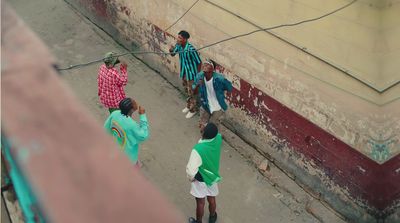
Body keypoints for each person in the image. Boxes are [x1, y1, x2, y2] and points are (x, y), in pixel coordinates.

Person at [186, 123, 222, 223]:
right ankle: (212, 217)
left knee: (200, 202)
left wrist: (191, 178)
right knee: (211, 198)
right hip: (212, 176)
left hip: (201, 179)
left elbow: (191, 170)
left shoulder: (198, 150)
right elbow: (216, 133)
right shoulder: (218, 138)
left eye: (204, 127)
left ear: (203, 133)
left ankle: (199, 221)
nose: (203, 125)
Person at [104, 97, 149, 167]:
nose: (136, 102)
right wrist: (143, 116)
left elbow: (106, 128)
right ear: (131, 110)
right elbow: (143, 135)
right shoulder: (132, 125)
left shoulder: (115, 113)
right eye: (134, 102)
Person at [192, 60, 233, 133]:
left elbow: (229, 88)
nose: (205, 66)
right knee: (203, 126)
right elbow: (194, 92)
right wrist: (198, 85)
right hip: (205, 105)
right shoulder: (199, 76)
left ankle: (213, 140)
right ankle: (204, 139)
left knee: (213, 127)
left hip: (217, 107)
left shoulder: (219, 79)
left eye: (208, 65)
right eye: (204, 64)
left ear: (212, 69)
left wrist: (221, 90)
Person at [169, 30, 202, 119]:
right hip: (184, 73)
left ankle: (193, 110)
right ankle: (188, 106)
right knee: (187, 91)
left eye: (180, 37)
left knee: (193, 93)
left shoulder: (191, 49)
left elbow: (199, 62)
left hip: (192, 75)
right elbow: (173, 54)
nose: (178, 39)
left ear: (185, 39)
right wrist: (171, 49)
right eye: (178, 37)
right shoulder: (178, 46)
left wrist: (198, 77)